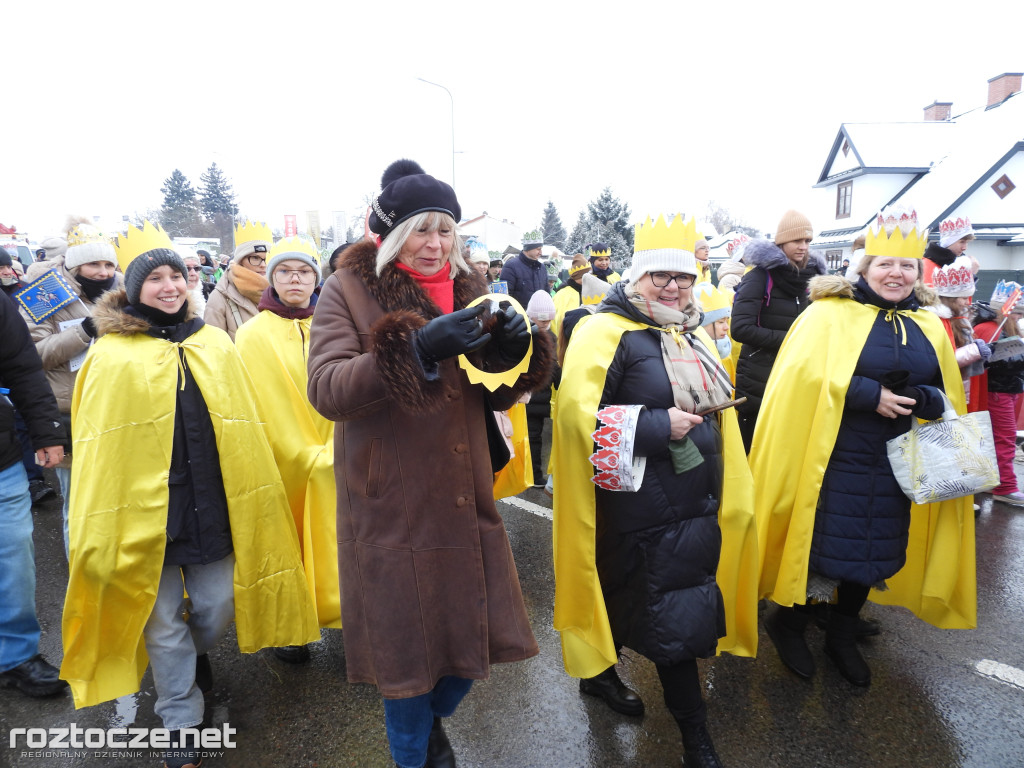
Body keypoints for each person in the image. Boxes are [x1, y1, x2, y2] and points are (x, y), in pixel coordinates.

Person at [307, 159, 553, 768]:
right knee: (406, 656)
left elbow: (495, 391)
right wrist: (414, 347)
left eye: (446, 230)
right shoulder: (348, 288)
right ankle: (414, 754)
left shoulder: (472, 287)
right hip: (392, 498)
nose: (436, 244)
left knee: (475, 637)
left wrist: (520, 350)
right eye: (421, 229)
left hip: (464, 491)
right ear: (391, 235)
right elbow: (327, 389)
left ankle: (433, 720)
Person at [61, 221, 318, 768]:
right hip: (144, 513)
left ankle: (190, 655)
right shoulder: (111, 355)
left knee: (216, 604)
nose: (169, 286)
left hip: (213, 500)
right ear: (134, 289)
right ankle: (180, 716)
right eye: (155, 278)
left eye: (175, 276)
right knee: (161, 622)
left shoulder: (214, 343)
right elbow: (98, 446)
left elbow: (244, 422)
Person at [552, 214, 758, 768]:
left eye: (683, 277)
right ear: (636, 277)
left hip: (695, 496)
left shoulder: (690, 332)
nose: (672, 286)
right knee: (671, 618)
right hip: (639, 504)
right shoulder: (604, 332)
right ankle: (695, 739)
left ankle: (598, 674)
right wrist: (655, 426)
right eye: (660, 276)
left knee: (643, 600)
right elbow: (576, 420)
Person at [752, 206, 976, 689]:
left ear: (918, 273)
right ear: (865, 268)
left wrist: (923, 398)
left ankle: (843, 632)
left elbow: (944, 391)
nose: (896, 273)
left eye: (906, 266)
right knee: (822, 544)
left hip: (897, 459)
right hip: (832, 456)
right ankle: (789, 622)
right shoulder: (829, 313)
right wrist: (866, 394)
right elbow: (799, 377)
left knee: (876, 549)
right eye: (884, 264)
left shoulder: (926, 323)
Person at [235, 236, 339, 662]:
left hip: (335, 450)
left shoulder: (335, 327)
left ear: (316, 278)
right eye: (284, 271)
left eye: (303, 272)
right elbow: (249, 400)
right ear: (271, 278)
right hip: (279, 456)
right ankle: (290, 627)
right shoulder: (251, 335)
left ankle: (346, 612)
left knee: (338, 534)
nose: (295, 279)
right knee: (284, 536)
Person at [20, 216, 123, 556]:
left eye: (109, 264)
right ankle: (80, 570)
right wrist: (84, 331)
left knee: (120, 497)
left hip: (120, 407)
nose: (103, 272)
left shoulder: (125, 289)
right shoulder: (44, 293)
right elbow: (32, 355)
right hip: (72, 412)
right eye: (94, 264)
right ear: (75, 264)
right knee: (79, 503)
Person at [0, 291, 68, 698]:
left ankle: (16, 656)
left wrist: (45, 432)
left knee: (13, 561)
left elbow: (22, 367)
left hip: (2, 459)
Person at [731, 209, 826, 452]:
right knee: (755, 447)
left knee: (788, 447)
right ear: (781, 241)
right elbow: (740, 328)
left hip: (799, 374)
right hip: (759, 377)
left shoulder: (814, 280)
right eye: (796, 240)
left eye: (807, 241)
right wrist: (792, 340)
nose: (803, 246)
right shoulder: (759, 277)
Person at [973, 282, 1024, 507]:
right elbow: (997, 362)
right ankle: (1005, 487)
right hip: (998, 390)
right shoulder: (990, 328)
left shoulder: (989, 326)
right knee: (1004, 439)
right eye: (1018, 313)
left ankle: (994, 480)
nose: (1020, 317)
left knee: (995, 438)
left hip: (1002, 389)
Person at [927, 256, 990, 407]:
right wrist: (975, 351)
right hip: (944, 390)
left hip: (960, 385)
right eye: (963, 298)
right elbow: (940, 361)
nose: (967, 302)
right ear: (950, 299)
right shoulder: (936, 320)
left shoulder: (960, 318)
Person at [205, 219, 272, 341]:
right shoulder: (220, 298)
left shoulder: (282, 292)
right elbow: (213, 346)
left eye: (267, 258)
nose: (263, 264)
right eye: (255, 258)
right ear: (240, 261)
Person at [524, 290, 559, 488]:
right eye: (542, 320)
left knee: (534, 437)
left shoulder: (552, 337)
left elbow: (555, 368)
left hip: (542, 397)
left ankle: (534, 475)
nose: (546, 324)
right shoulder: (523, 336)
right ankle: (533, 475)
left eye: (548, 320)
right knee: (530, 437)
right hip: (526, 396)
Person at [923, 216, 975, 287]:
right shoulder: (926, 266)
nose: (965, 248)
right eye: (962, 242)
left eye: (967, 242)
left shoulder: (959, 264)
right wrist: (970, 276)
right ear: (948, 242)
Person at [500, 231, 548, 307]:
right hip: (518, 313)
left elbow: (547, 294)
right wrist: (513, 313)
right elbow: (504, 298)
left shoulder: (542, 268)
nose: (541, 253)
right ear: (528, 248)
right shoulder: (511, 266)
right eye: (538, 249)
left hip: (539, 314)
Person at [551, 253, 590, 340]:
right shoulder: (563, 293)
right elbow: (557, 322)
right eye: (584, 276)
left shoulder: (587, 291)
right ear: (576, 277)